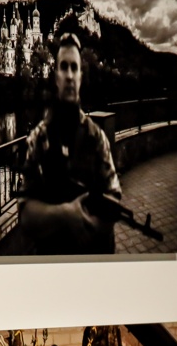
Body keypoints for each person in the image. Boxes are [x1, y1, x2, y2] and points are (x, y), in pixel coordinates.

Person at [17, 33, 122, 255]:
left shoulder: (96, 138)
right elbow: (25, 214)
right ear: (56, 77)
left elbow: (113, 198)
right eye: (63, 67)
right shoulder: (39, 138)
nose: (70, 75)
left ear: (81, 77)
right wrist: (65, 215)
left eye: (74, 68)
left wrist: (89, 230)